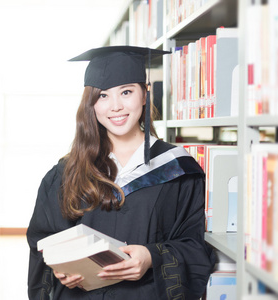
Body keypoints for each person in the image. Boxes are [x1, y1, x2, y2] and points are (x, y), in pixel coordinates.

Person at [26, 46, 215, 300]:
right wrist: (59, 267)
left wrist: (151, 257)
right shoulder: (65, 173)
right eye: (103, 96)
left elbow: (194, 247)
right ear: (91, 104)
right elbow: (42, 240)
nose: (115, 106)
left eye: (126, 92)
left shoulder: (179, 169)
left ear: (145, 95)